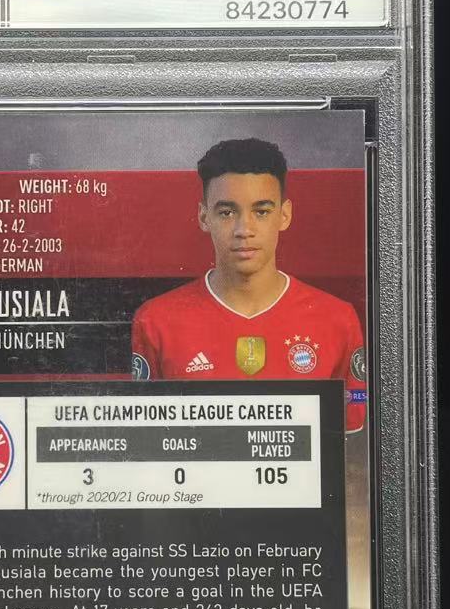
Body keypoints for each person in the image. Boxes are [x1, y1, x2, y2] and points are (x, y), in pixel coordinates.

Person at [131, 137, 367, 430]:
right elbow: (147, 441)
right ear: (204, 217)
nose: (244, 229)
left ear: (284, 215)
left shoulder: (337, 320)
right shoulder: (156, 321)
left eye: (261, 211)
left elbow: (353, 441)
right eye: (227, 212)